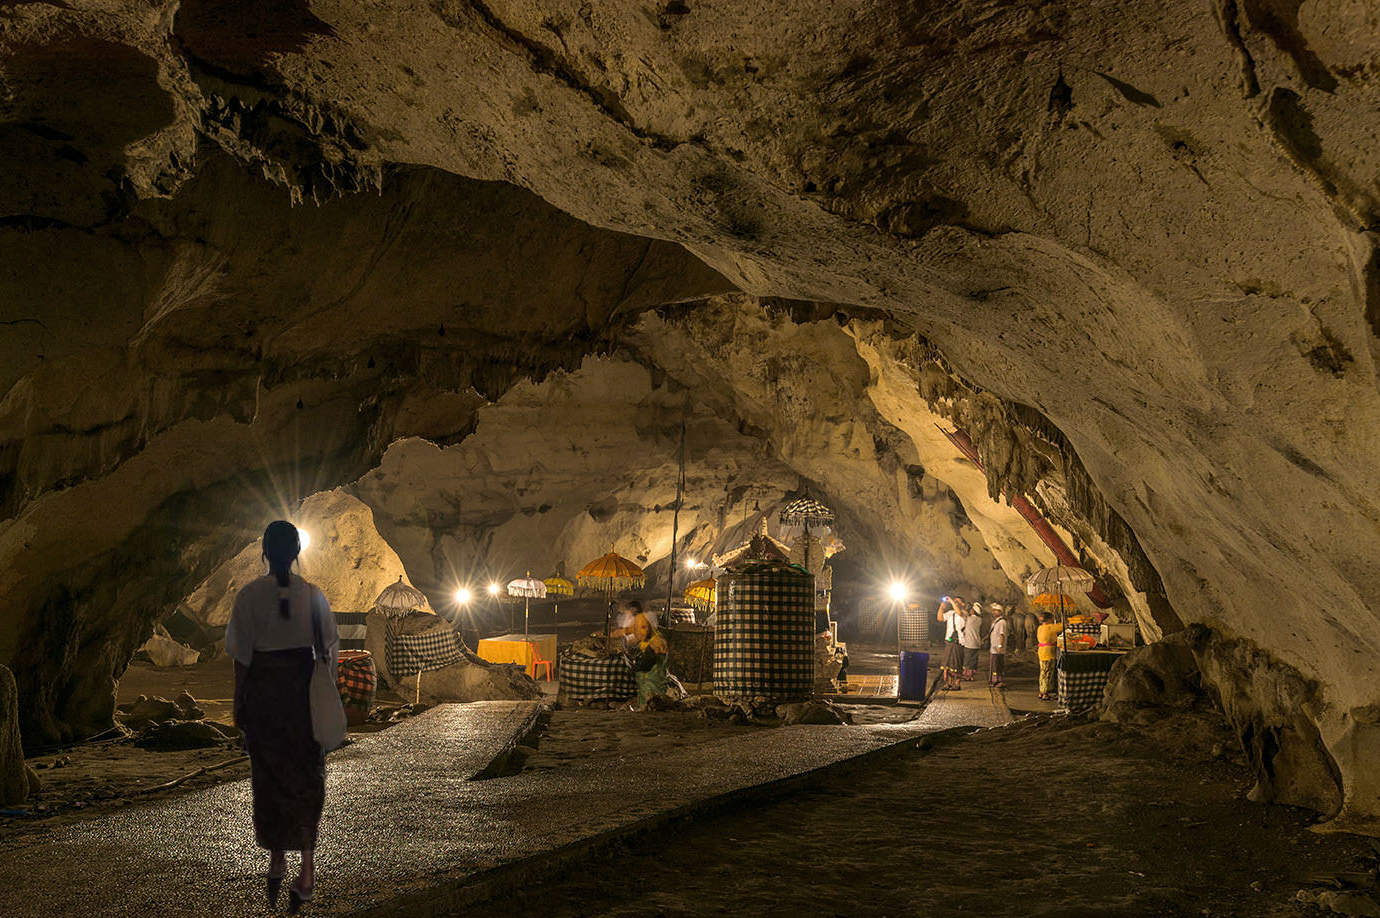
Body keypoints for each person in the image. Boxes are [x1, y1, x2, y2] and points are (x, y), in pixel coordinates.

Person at [226, 521, 338, 912]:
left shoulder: (249, 596)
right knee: (307, 775)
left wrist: (239, 704)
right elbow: (328, 653)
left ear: (265, 552)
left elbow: (241, 658)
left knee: (269, 776)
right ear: (295, 553)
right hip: (303, 697)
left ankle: (277, 859)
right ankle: (306, 871)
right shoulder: (313, 596)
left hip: (265, 697)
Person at [620, 607, 669, 707]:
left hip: (654, 690)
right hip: (646, 690)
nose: (638, 632)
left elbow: (645, 665)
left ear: (651, 627)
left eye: (643, 627)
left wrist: (632, 666)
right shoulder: (645, 642)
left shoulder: (655, 643)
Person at [936, 596, 966, 690]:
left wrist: (952, 601)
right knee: (947, 664)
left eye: (958, 601)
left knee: (956, 663)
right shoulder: (950, 613)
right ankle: (948, 683)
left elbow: (959, 612)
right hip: (949, 641)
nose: (955, 602)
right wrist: (942, 607)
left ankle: (957, 684)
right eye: (954, 600)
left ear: (963, 604)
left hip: (958, 642)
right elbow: (940, 618)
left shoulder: (964, 613)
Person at [1035, 611, 1064, 701]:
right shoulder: (1050, 627)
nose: (1053, 620)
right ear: (1049, 619)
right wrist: (1063, 619)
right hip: (1048, 653)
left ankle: (1042, 691)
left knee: (1043, 673)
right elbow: (1063, 626)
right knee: (1048, 673)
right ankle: (1045, 693)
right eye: (1052, 618)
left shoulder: (1040, 628)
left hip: (1042, 652)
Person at [960, 601, 984, 680]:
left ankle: (967, 675)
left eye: (971, 609)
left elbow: (963, 615)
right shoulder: (979, 619)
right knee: (974, 660)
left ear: (973, 610)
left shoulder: (969, 619)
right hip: (977, 642)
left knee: (967, 660)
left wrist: (965, 609)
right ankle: (972, 676)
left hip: (969, 643)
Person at [988, 604, 1009, 688]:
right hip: (994, 647)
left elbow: (1002, 635)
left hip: (998, 648)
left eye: (995, 610)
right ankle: (994, 681)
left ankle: (998, 681)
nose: (993, 612)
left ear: (1000, 612)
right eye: (993, 610)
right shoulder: (995, 621)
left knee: (998, 665)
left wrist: (1000, 645)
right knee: (994, 665)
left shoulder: (1002, 622)